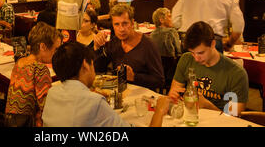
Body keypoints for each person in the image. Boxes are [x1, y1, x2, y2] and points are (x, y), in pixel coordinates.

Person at [42, 41, 171, 127]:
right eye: (92, 63)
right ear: (86, 65)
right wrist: (159, 110)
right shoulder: (94, 102)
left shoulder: (52, 93)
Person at [168, 21, 249, 116]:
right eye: (192, 53)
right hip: (190, 117)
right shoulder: (186, 59)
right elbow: (173, 92)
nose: (196, 59)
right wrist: (173, 96)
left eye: (201, 53)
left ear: (213, 44)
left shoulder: (236, 73)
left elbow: (234, 117)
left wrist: (207, 105)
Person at [93, 4, 165, 91]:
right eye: (117, 24)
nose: (121, 29)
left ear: (132, 23)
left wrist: (134, 77)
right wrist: (97, 47)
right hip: (120, 93)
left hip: (142, 97)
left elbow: (159, 81)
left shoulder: (148, 45)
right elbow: (99, 69)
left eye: (125, 23)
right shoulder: (115, 42)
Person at [171, 0, 245, 53]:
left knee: (189, 66)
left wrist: (186, 29)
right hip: (213, 41)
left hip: (189, 40)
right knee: (212, 66)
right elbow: (238, 26)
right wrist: (229, 44)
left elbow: (175, 20)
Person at [4, 22, 62, 127]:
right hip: (28, 123)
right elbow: (47, 107)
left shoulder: (20, 62)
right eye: (56, 49)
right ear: (43, 47)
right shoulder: (40, 69)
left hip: (10, 121)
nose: (57, 53)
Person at [150, 7, 181, 90]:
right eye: (169, 16)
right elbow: (178, 51)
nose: (172, 19)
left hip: (157, 70)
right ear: (161, 20)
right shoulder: (171, 32)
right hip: (170, 70)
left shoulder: (152, 34)